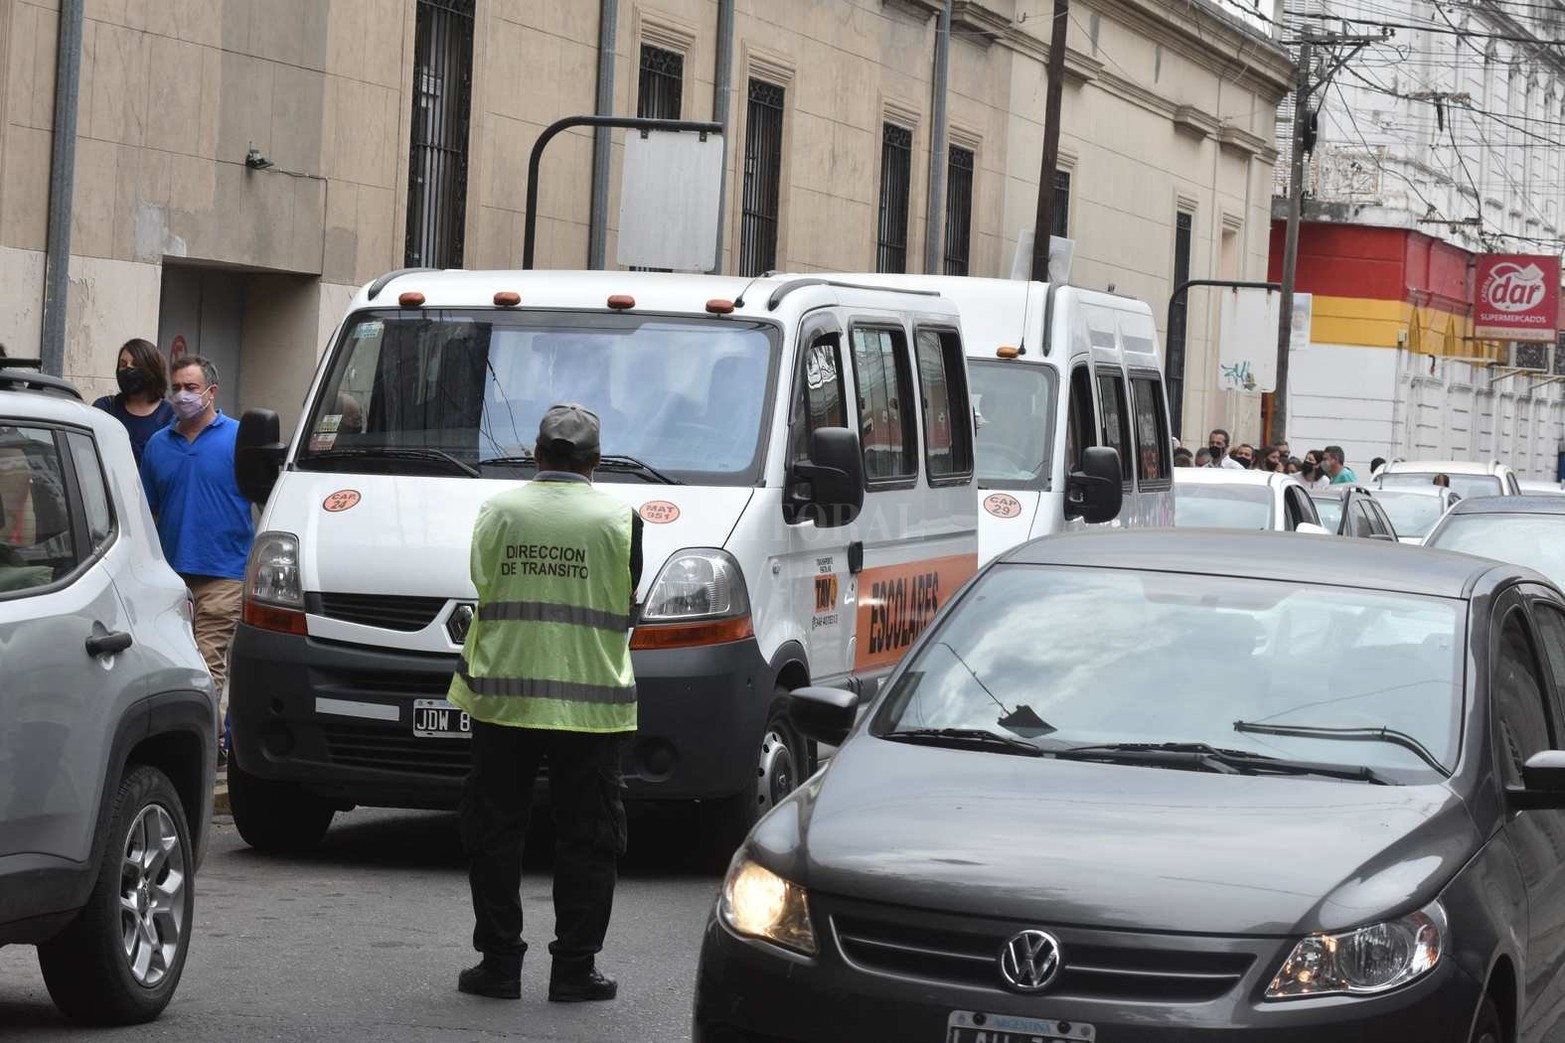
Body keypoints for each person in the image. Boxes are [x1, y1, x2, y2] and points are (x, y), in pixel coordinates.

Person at [451, 404, 645, 1005]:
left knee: (496, 830)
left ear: (537, 456)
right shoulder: (621, 518)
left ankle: (500, 964)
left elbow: (484, 581)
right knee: (587, 837)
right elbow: (628, 589)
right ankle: (574, 970)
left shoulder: (498, 512)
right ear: (595, 463)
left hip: (503, 698)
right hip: (592, 706)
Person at [139, 356, 254, 759]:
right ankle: (195, 743)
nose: (182, 395)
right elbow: (146, 511)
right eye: (177, 388)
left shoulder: (240, 439)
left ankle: (204, 749)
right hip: (172, 577)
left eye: (191, 387)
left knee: (207, 665)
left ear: (211, 392)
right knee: (174, 665)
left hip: (224, 572)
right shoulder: (158, 446)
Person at [93, 338, 175, 465]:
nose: (128, 369)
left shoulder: (171, 417)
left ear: (153, 370)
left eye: (136, 364)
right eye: (123, 365)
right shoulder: (105, 408)